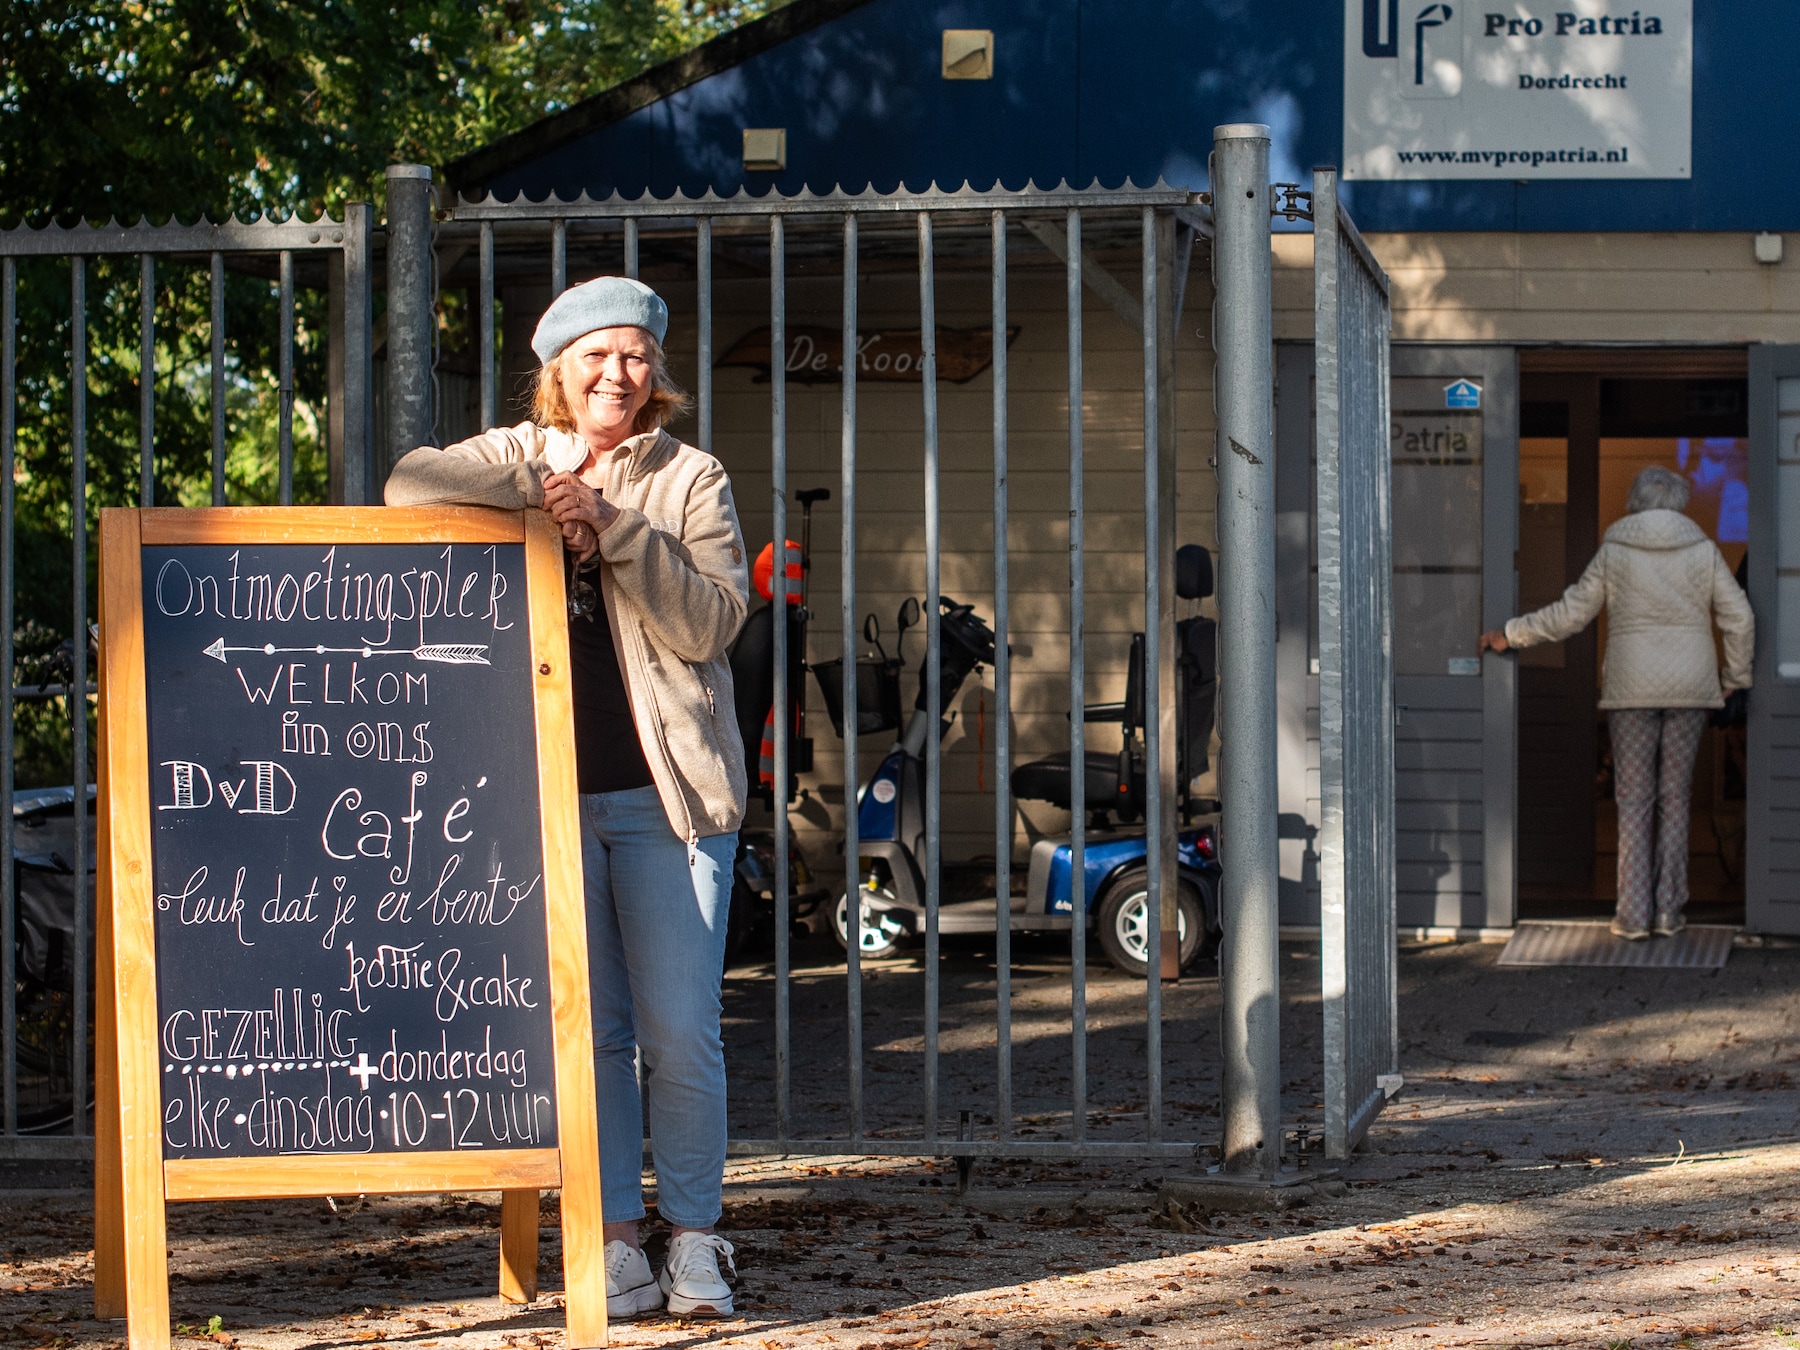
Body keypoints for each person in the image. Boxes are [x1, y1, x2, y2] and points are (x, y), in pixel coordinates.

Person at [385, 276, 749, 1319]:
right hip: (545, 803)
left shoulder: (690, 476)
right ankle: (614, 1242)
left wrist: (614, 526)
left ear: (655, 373)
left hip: (666, 799)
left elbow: (713, 625)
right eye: (597, 355)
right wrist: (540, 489)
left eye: (635, 356)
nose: (617, 374)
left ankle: (694, 1239)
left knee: (681, 1031)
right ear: (560, 369)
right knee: (588, 1032)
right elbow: (408, 487)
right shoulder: (517, 453)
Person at [1478, 465, 1753, 941]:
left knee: (1632, 798)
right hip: (1691, 690)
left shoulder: (1616, 550)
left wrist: (1511, 634)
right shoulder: (1703, 550)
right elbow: (1740, 618)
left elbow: (1571, 614)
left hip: (1631, 690)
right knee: (1675, 797)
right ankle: (1669, 911)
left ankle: (1631, 914)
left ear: (1635, 500)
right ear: (1681, 502)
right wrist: (1735, 677)